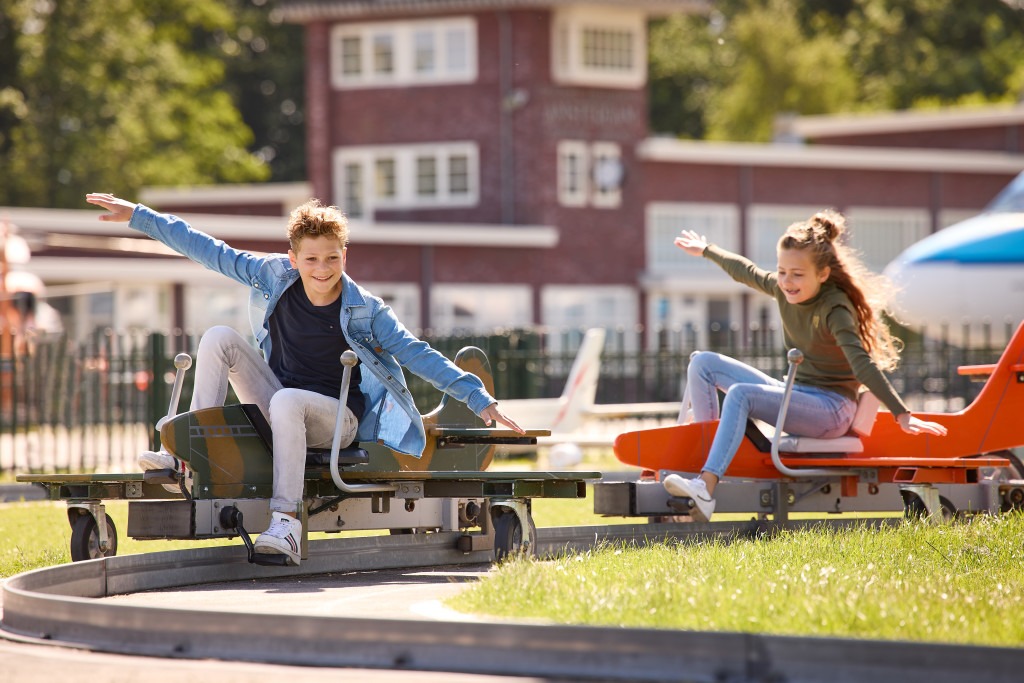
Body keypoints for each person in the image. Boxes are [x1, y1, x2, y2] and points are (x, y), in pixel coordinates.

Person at [85, 192, 523, 564]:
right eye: (311, 259)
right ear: (293, 259)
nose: (322, 269)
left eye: (332, 258)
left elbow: (415, 352)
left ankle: (286, 523)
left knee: (288, 401)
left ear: (344, 256)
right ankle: (188, 455)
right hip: (280, 402)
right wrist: (139, 216)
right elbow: (208, 249)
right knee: (220, 337)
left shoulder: (367, 309)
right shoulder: (273, 276)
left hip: (338, 423)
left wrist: (478, 397)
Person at [663, 210, 948, 522]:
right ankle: (703, 468)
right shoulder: (781, 289)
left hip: (830, 410)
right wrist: (706, 250)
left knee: (742, 394)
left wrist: (901, 414)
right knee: (703, 362)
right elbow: (745, 270)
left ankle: (705, 487)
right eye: (782, 271)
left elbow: (863, 364)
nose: (787, 282)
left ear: (822, 274)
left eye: (798, 274)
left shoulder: (835, 307)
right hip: (796, 393)